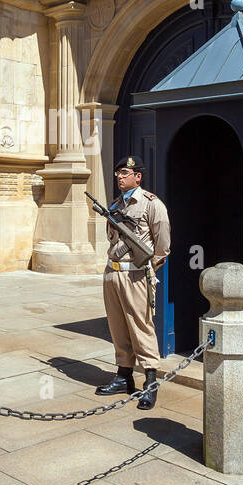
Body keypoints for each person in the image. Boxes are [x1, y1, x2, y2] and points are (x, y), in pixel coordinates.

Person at [96, 156, 171, 410]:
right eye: (118, 172)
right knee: (117, 326)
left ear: (138, 176)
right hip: (112, 273)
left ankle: (150, 379)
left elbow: (162, 246)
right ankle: (123, 375)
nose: (119, 176)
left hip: (136, 275)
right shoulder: (115, 204)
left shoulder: (151, 204)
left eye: (125, 172)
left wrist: (147, 269)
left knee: (141, 325)